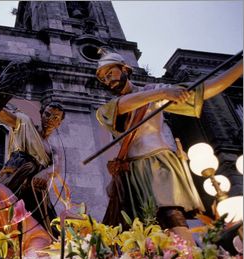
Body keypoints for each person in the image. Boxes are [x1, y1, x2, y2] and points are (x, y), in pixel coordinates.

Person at [94, 48, 243, 243]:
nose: (107, 80)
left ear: (125, 69)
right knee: (148, 223)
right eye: (103, 78)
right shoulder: (109, 109)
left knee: (172, 212)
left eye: (110, 72)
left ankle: (190, 258)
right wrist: (162, 92)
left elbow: (204, 90)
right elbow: (124, 104)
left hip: (161, 162)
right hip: (133, 170)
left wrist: (240, 67)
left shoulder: (153, 92)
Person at [0, 75, 65, 237]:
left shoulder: (53, 149)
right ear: (41, 114)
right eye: (47, 114)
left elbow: (57, 167)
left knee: (44, 230)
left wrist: (45, 172)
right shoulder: (24, 124)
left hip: (35, 189)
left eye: (55, 118)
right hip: (15, 177)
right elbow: (2, 115)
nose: (50, 119)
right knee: (3, 220)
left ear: (59, 123)